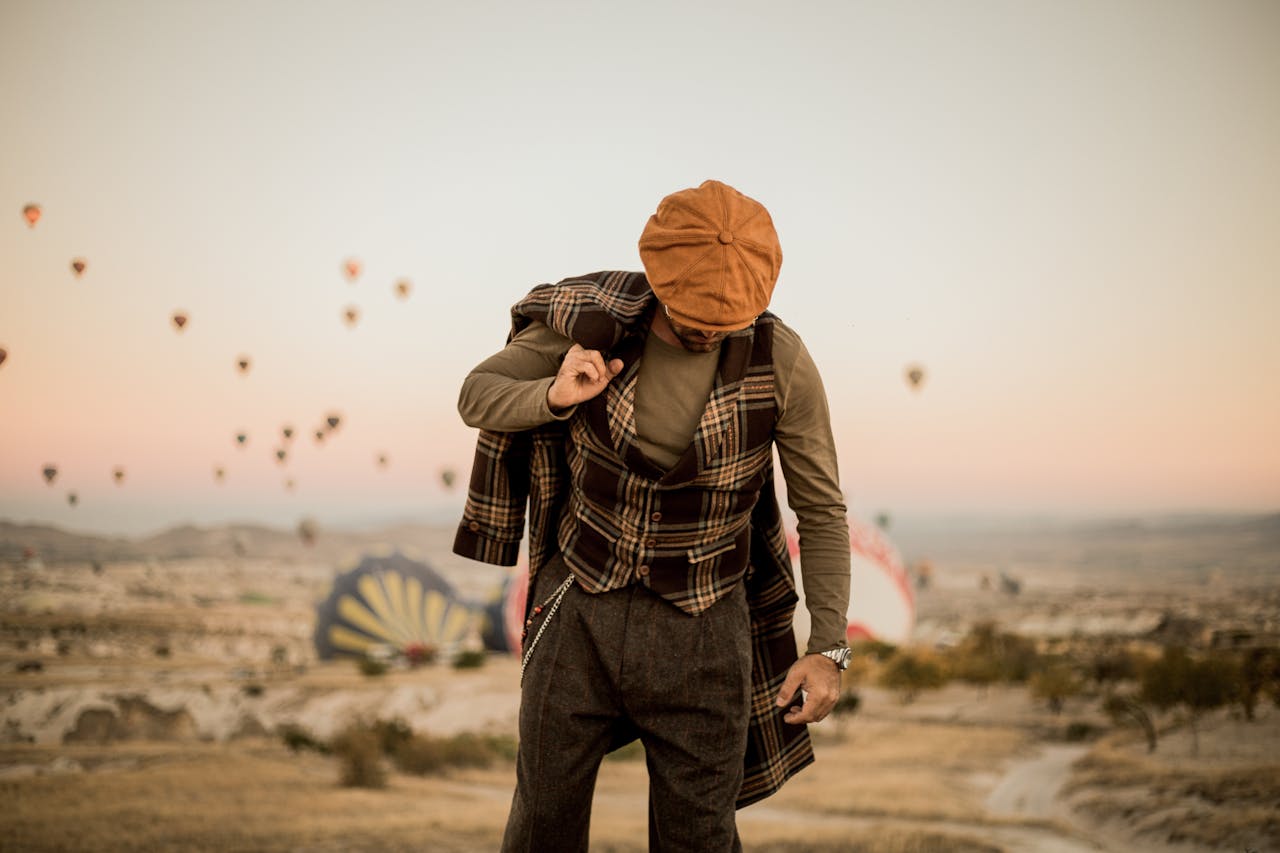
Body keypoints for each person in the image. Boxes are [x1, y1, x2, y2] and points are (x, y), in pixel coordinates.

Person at [454, 179, 852, 852]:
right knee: (540, 827)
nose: (708, 330)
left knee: (699, 837)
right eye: (693, 314)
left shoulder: (782, 359)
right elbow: (477, 393)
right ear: (658, 277)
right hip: (578, 610)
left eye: (726, 321)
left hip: (706, 628)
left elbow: (820, 505)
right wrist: (554, 393)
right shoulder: (590, 323)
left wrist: (829, 646)